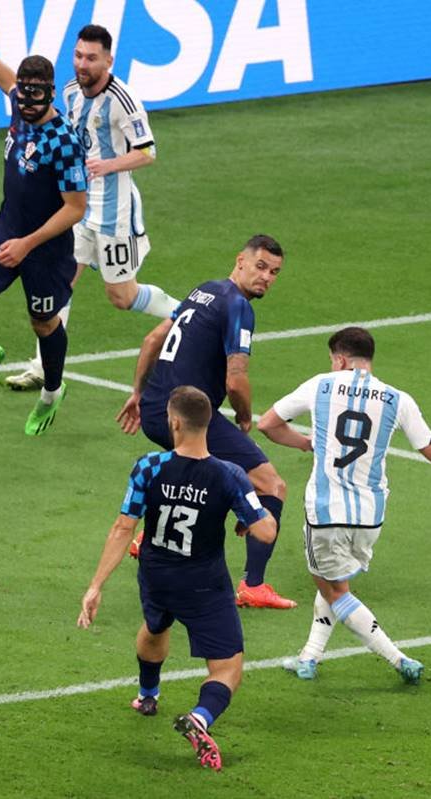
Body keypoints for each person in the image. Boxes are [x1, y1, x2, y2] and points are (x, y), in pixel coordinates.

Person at [77, 386, 278, 770]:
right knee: (227, 667)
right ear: (208, 424)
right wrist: (250, 519)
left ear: (173, 422)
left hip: (156, 573)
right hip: (204, 583)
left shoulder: (148, 466)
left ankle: (147, 694)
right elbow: (265, 531)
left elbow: (123, 527)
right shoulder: (230, 474)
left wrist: (96, 586)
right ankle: (200, 718)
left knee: (156, 625)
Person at [257, 326, 431, 683]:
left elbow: (268, 424)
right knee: (333, 579)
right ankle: (309, 657)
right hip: (370, 516)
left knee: (332, 588)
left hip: (325, 511)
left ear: (340, 359)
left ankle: (398, 659)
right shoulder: (398, 399)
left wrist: (305, 444)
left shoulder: (321, 384)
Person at [116, 234, 296, 609]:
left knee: (201, 469)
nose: (266, 277)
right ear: (241, 261)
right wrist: (245, 416)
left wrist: (137, 393)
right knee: (271, 485)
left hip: (155, 411)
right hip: (189, 415)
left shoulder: (204, 291)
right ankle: (254, 585)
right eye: (261, 267)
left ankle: (150, 537)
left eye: (275, 272)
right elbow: (235, 379)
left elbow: (152, 340)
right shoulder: (238, 307)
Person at [6, 24, 179, 391]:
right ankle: (42, 366)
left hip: (114, 213)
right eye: (78, 56)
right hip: (77, 208)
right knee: (60, 283)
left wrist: (107, 165)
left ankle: (187, 315)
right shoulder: (68, 91)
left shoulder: (123, 99)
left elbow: (148, 152)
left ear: (108, 60)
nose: (82, 64)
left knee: (122, 296)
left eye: (91, 58)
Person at [0, 23, 88, 435]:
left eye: (34, 96)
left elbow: (75, 208)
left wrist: (27, 245)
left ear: (51, 93)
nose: (24, 103)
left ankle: (51, 393)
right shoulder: (20, 103)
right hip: (6, 227)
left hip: (44, 247)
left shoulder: (64, 141)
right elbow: (5, 77)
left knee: (43, 324)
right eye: (21, 95)